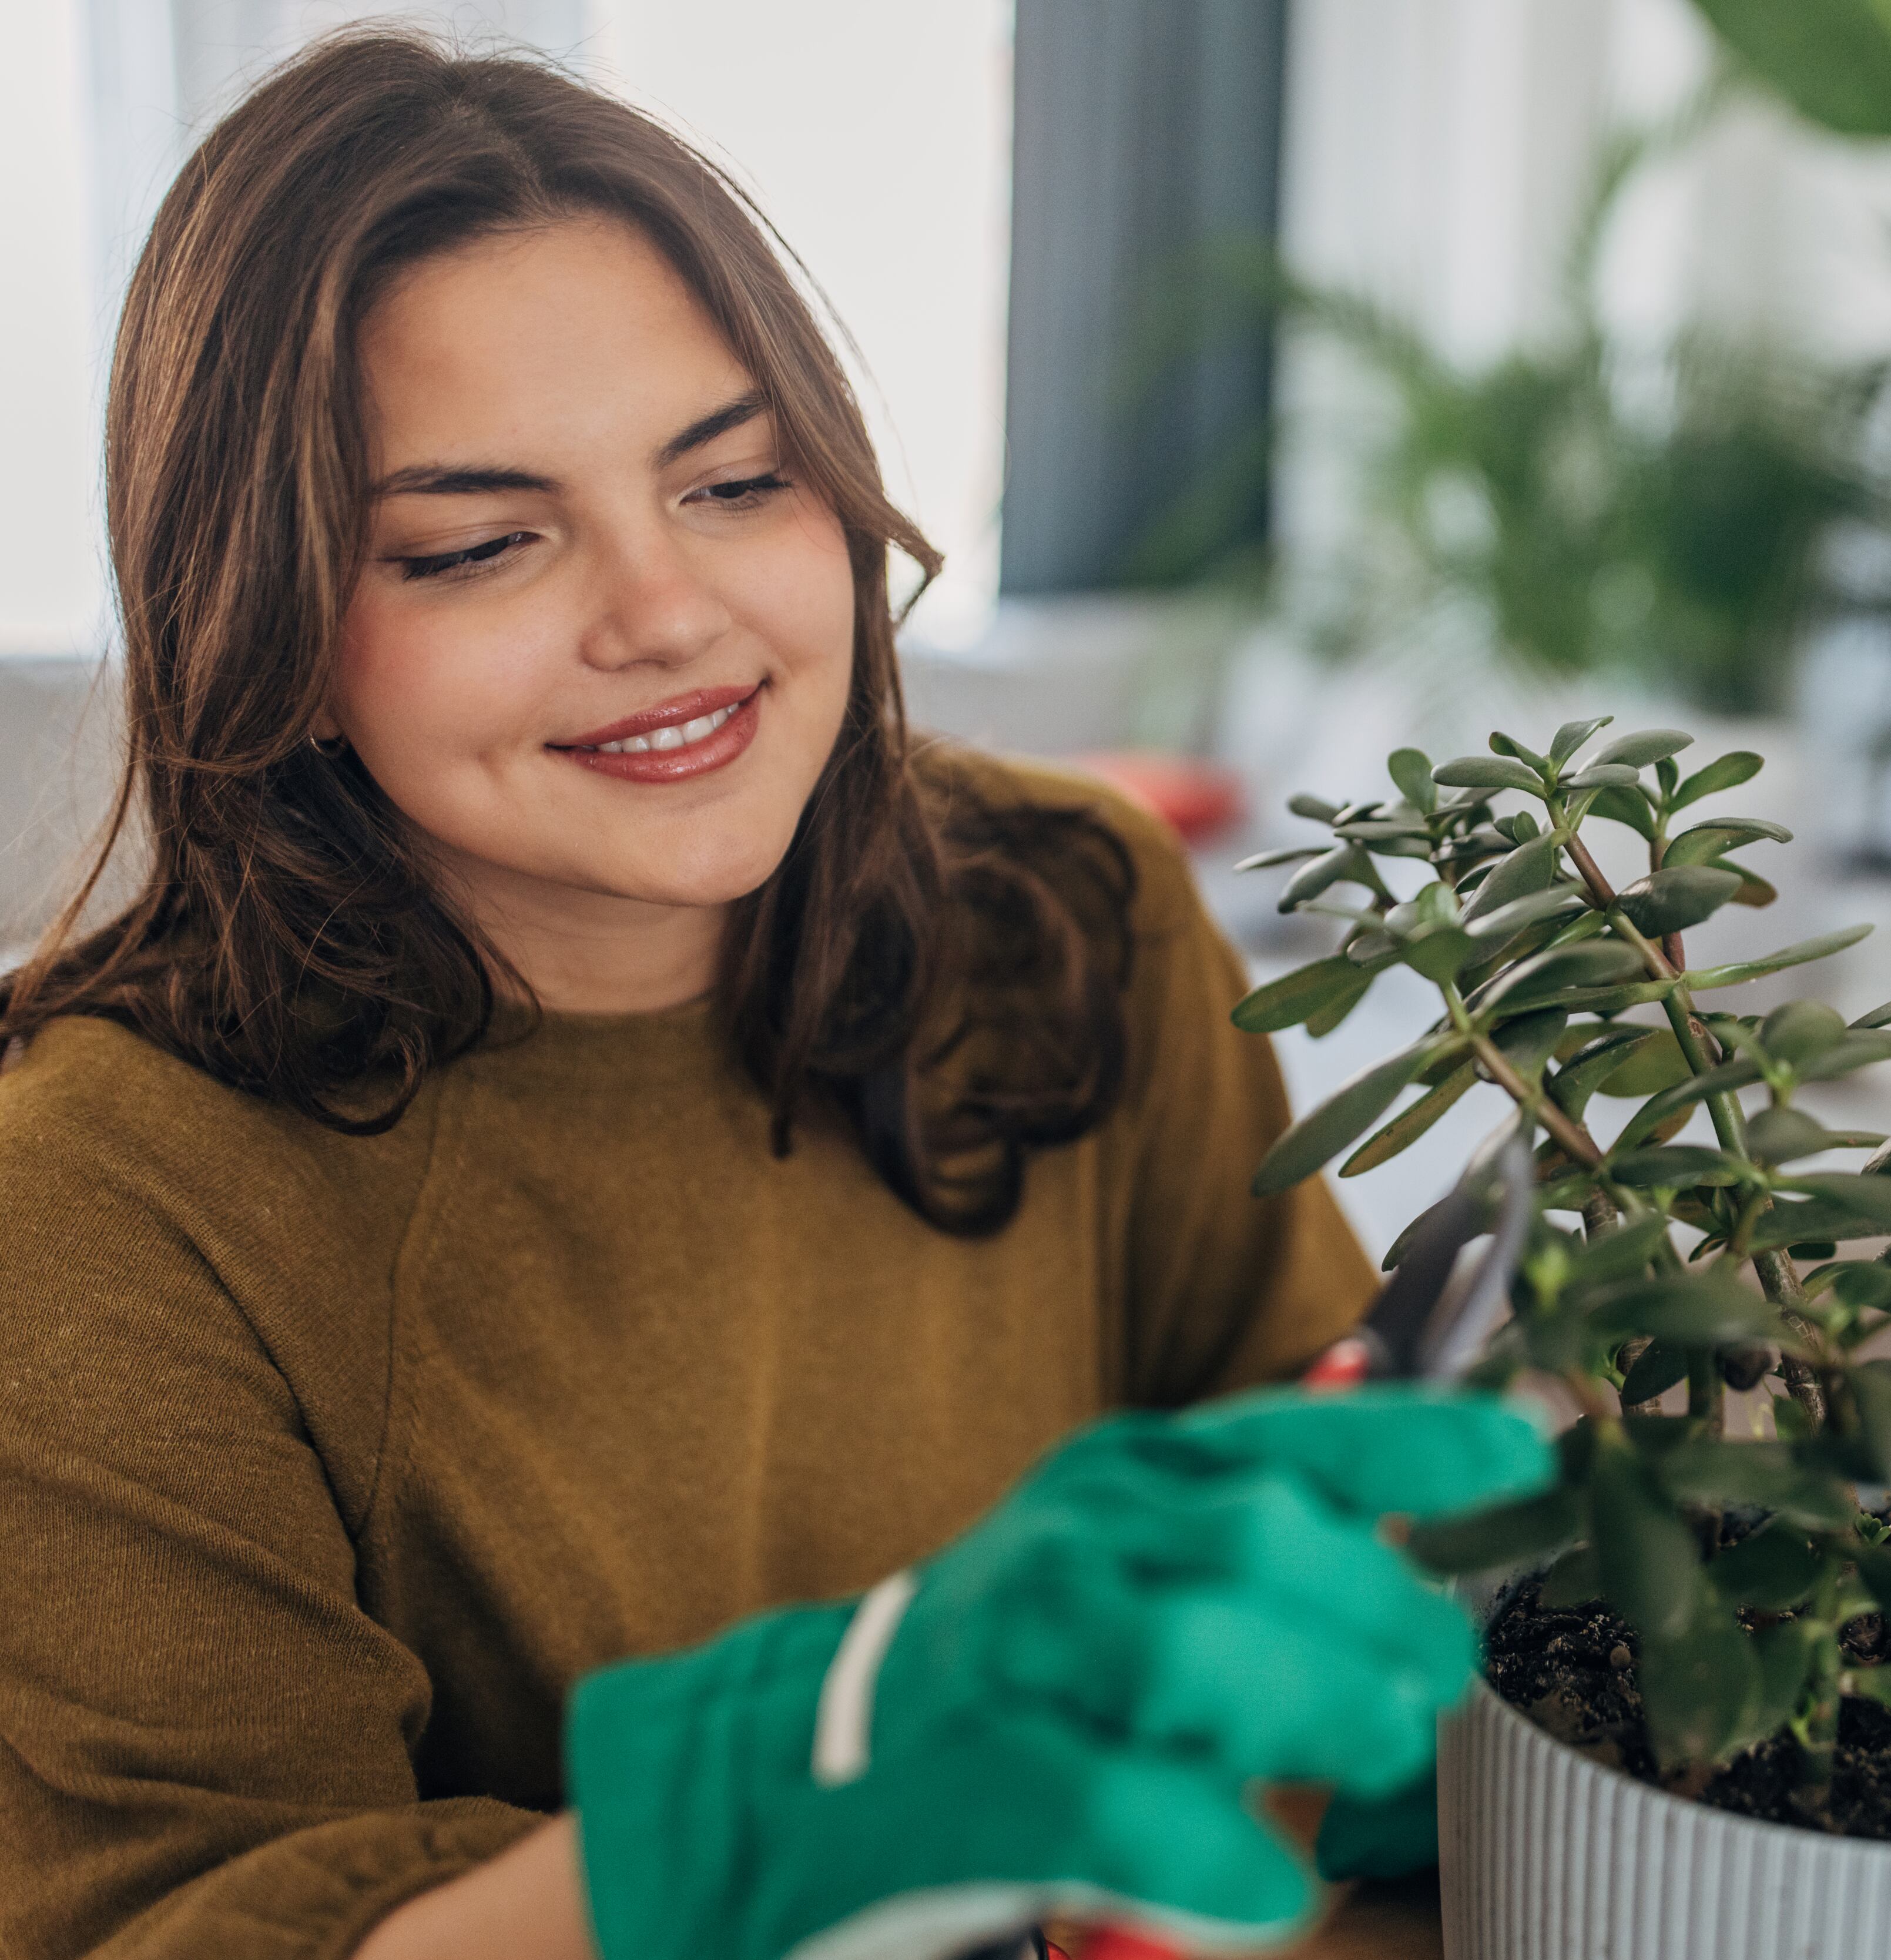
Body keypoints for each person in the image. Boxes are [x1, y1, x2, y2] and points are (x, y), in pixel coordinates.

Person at [0, 31, 1543, 1960]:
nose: (668, 615)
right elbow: (178, 1929)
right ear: (274, 627)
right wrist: (789, 1787)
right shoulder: (95, 1200)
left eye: (737, 480)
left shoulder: (1067, 914)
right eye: (480, 545)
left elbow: (1335, 1578)